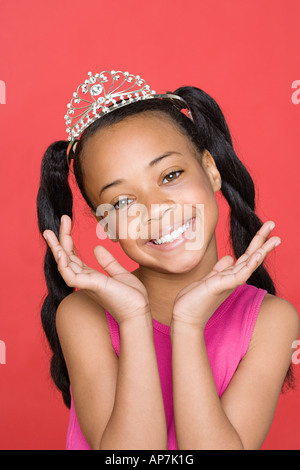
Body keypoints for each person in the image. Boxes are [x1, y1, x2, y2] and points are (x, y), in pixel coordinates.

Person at [37, 70, 299, 450]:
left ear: (211, 171)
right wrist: (133, 319)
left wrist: (189, 325)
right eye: (123, 201)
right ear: (105, 224)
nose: (155, 208)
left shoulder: (270, 321)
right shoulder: (84, 315)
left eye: (171, 174)